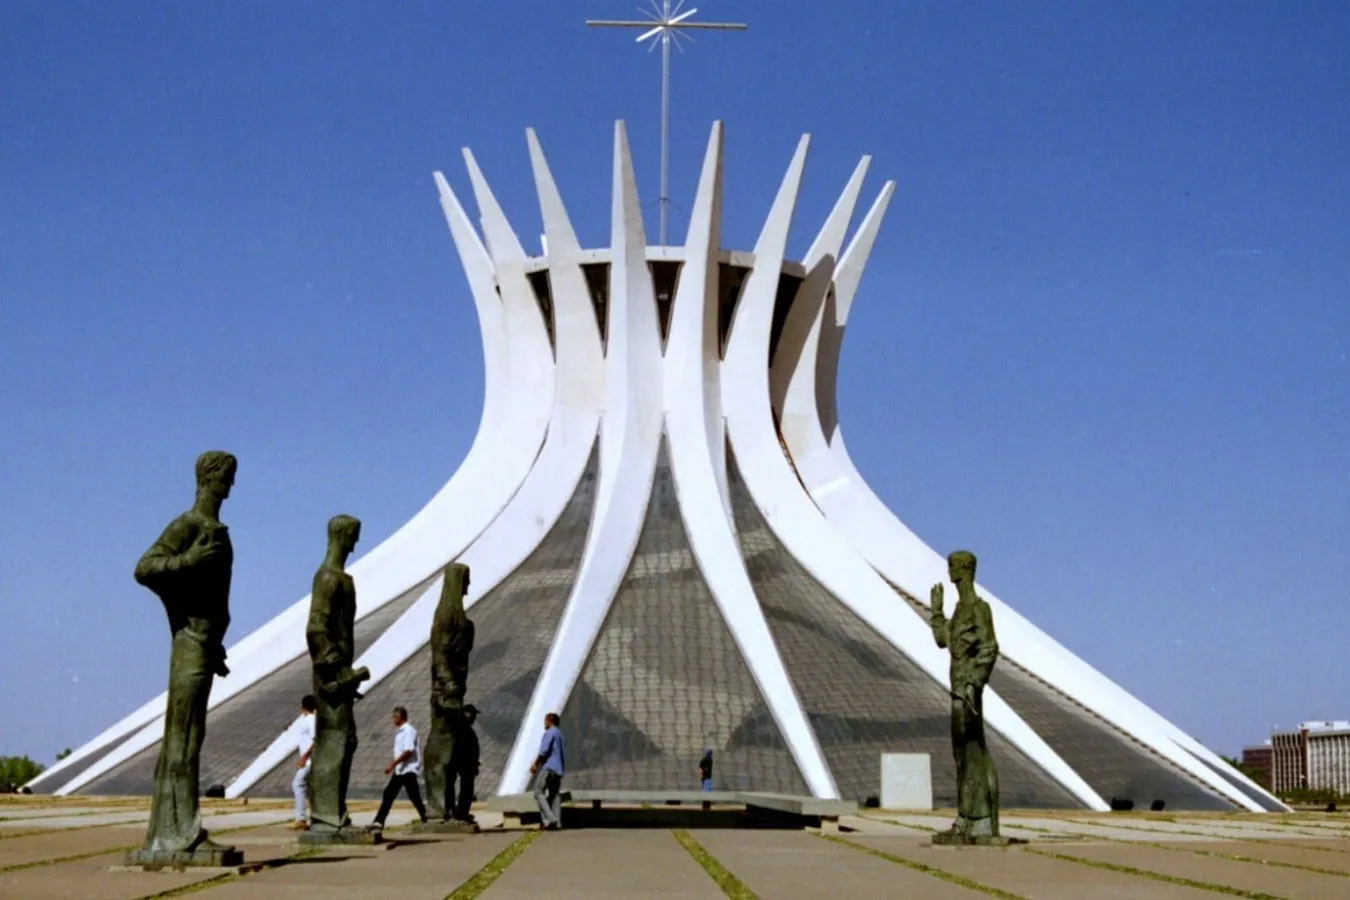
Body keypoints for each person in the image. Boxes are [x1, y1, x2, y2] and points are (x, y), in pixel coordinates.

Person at [369, 706, 427, 832]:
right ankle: (379, 821)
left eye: (394, 717)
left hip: (407, 769)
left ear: (400, 717)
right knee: (393, 794)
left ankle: (379, 821)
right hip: (401, 770)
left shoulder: (408, 731)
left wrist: (393, 764)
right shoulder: (401, 732)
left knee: (410, 795)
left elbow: (408, 751)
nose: (393, 720)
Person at [529, 712, 565, 831]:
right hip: (558, 769)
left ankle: (550, 819)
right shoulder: (559, 734)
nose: (544, 723)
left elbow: (544, 751)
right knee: (554, 795)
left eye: (545, 720)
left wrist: (535, 764)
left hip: (548, 768)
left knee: (538, 792)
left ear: (550, 721)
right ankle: (556, 822)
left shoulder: (549, 733)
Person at [290, 695, 317, 830]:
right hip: (308, 760)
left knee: (298, 784)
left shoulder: (311, 720)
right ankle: (314, 817)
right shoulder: (308, 720)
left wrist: (304, 757)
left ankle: (301, 818)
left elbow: (316, 740)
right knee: (311, 788)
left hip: (309, 761)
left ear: (303, 707)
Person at [451, 705, 481, 823]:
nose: (474, 718)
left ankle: (463, 812)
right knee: (466, 790)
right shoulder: (463, 729)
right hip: (465, 765)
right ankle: (461, 813)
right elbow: (465, 749)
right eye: (473, 715)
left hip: (468, 764)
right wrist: (471, 763)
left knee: (467, 790)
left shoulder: (465, 728)